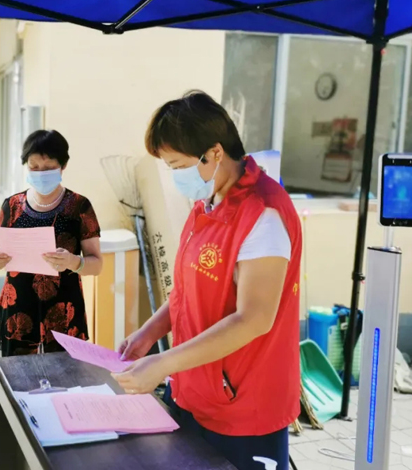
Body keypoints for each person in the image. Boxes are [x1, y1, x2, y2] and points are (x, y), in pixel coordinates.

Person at [113, 91, 301, 470]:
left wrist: (163, 363)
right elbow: (187, 291)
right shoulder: (208, 204)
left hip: (244, 408)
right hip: (196, 392)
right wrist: (148, 334)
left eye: (178, 166)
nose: (175, 177)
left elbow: (253, 319)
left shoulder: (263, 214)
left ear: (214, 153)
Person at [0, 130, 103, 356]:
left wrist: (72, 261)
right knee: (17, 376)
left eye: (49, 167)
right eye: (34, 167)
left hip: (64, 312)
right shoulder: (11, 205)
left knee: (64, 376)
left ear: (63, 165)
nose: (41, 173)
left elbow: (96, 264)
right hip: (18, 311)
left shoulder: (79, 206)